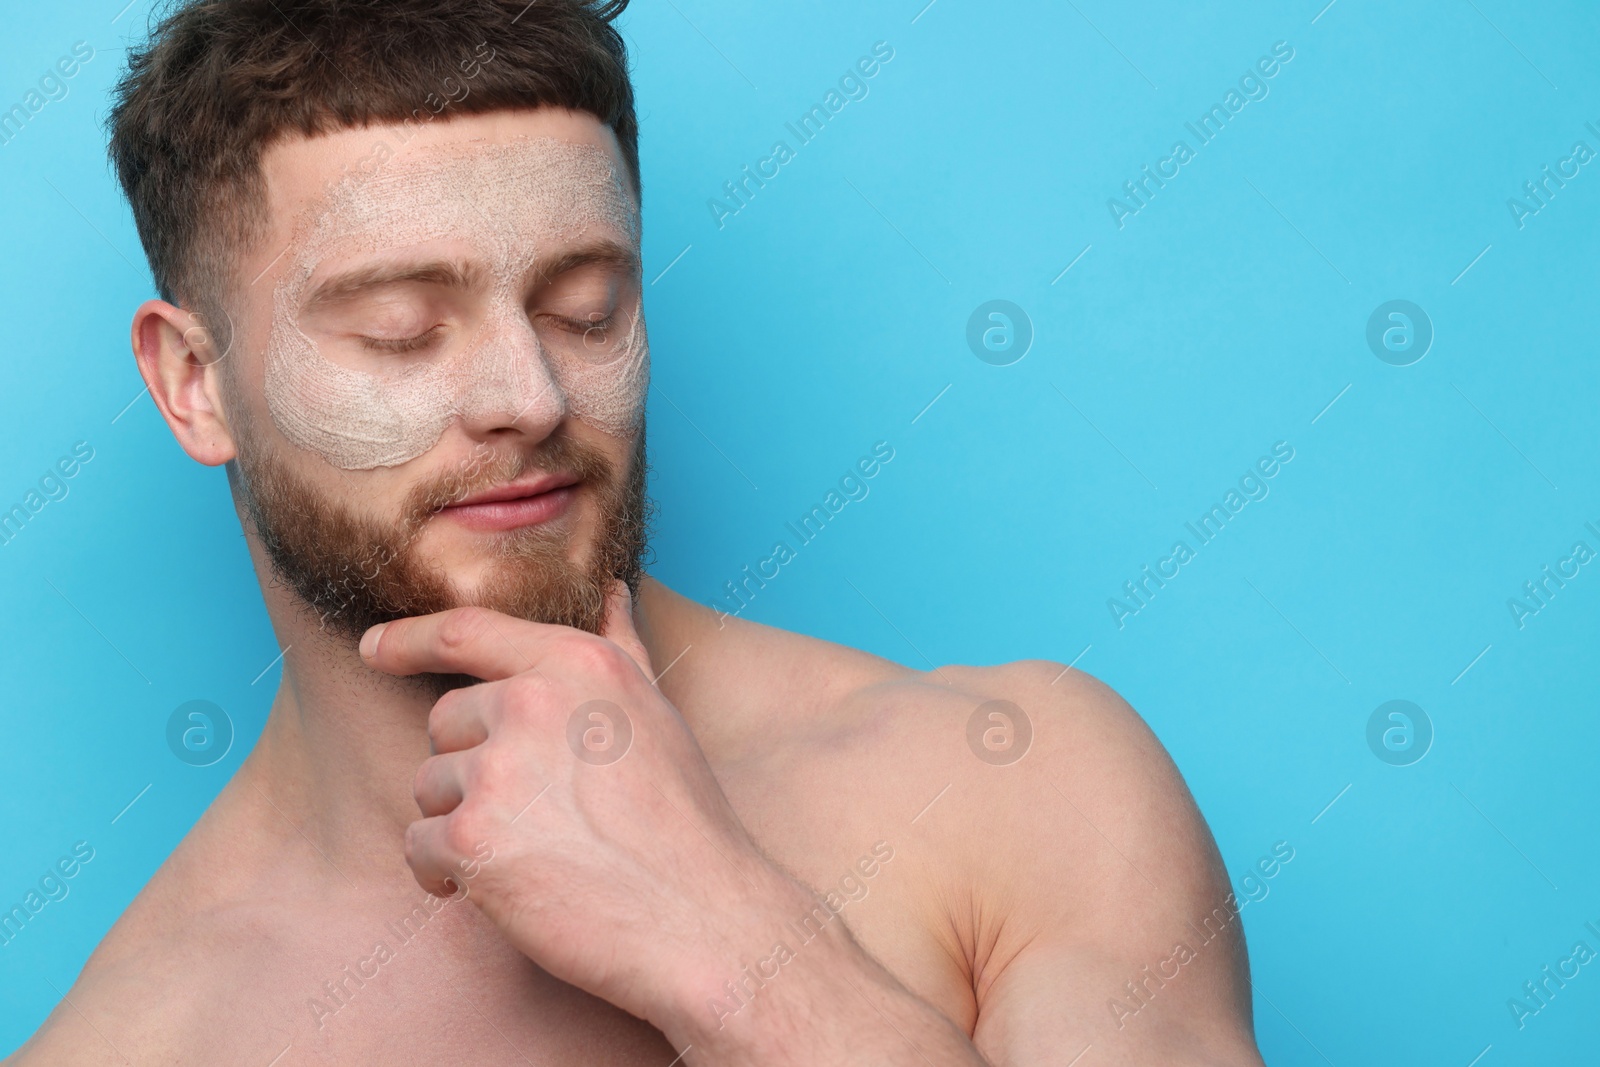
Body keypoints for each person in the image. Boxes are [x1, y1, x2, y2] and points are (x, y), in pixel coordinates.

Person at [7, 2, 1265, 1063]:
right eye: (400, 327)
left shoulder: (1016, 788)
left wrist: (736, 951)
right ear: (193, 382)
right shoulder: (142, 1037)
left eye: (585, 307)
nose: (530, 396)